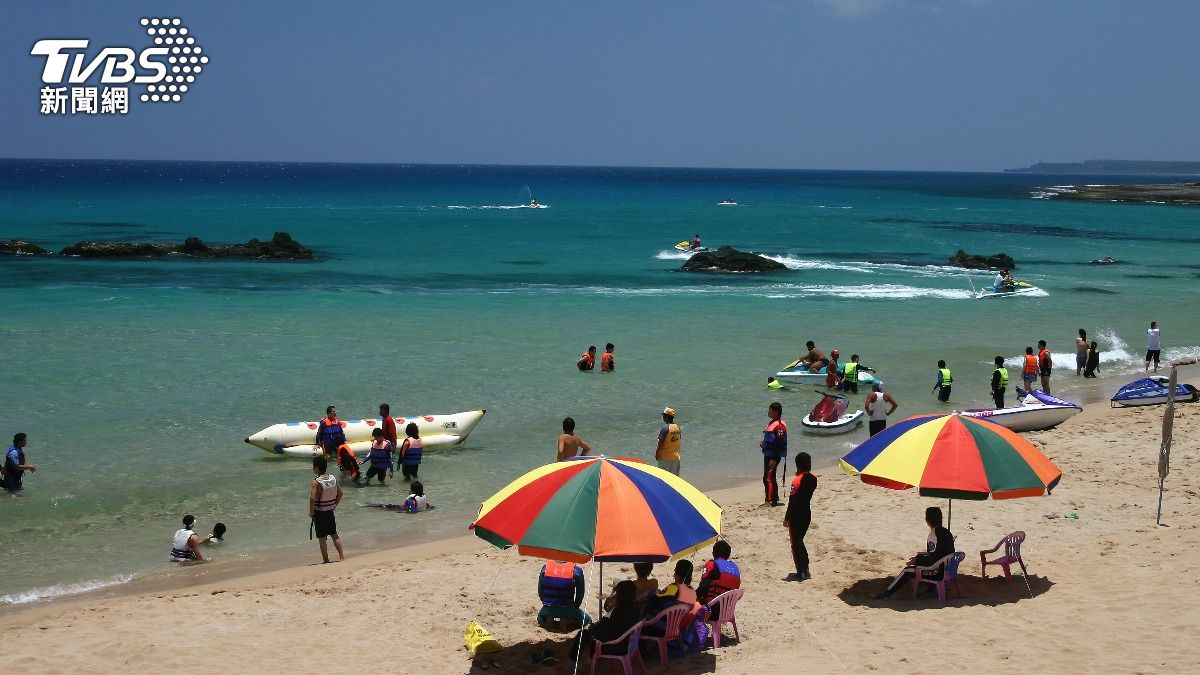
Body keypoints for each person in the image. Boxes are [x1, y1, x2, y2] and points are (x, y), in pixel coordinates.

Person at [874, 506, 955, 599]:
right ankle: (930, 589)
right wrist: (920, 556)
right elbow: (939, 552)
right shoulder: (947, 532)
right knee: (919, 561)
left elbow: (933, 560)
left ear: (928, 520)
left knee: (907, 571)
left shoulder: (934, 534)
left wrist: (917, 560)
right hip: (948, 571)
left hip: (937, 573)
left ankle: (886, 593)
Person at [569, 580, 640, 661]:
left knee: (582, 634)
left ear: (621, 596)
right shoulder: (636, 608)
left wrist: (594, 628)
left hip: (614, 647)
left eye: (617, 594)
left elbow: (604, 633)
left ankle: (572, 661)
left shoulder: (618, 612)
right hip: (629, 645)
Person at [784, 452, 817, 582]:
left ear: (797, 465)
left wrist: (787, 518)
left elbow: (792, 501)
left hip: (796, 515)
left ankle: (801, 572)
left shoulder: (796, 481)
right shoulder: (814, 479)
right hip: (806, 514)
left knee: (795, 544)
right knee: (800, 541)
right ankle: (806, 569)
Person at [309, 455, 345, 564]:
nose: (313, 469)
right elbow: (340, 494)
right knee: (334, 534)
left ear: (317, 468)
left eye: (314, 467)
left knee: (322, 537)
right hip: (330, 511)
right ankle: (342, 557)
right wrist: (334, 505)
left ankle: (326, 560)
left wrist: (311, 512)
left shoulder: (316, 482)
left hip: (320, 512)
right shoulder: (333, 478)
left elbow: (312, 498)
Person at [697, 540, 741, 616]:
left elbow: (703, 588)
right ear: (728, 554)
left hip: (711, 610)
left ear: (714, 553)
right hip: (727, 611)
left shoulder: (711, 564)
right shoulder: (735, 568)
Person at [537, 560, 587, 627]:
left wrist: (546, 604)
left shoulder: (545, 568)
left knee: (540, 617)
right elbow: (580, 594)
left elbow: (540, 591)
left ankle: (550, 618)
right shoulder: (576, 570)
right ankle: (566, 620)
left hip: (548, 607)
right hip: (567, 606)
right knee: (588, 620)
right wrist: (575, 607)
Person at [760, 402, 787, 506]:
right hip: (768, 454)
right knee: (768, 477)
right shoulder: (772, 423)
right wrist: (764, 444)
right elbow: (772, 440)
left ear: (775, 412)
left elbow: (779, 443)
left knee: (769, 478)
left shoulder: (779, 426)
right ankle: (773, 498)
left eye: (770, 410)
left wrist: (774, 458)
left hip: (773, 456)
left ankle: (770, 501)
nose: (768, 412)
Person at [655, 407, 682, 476]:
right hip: (675, 458)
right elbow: (678, 439)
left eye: (664, 416)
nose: (663, 417)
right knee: (674, 481)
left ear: (667, 417)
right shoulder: (677, 427)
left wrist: (657, 454)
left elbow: (660, 443)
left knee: (663, 480)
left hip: (664, 458)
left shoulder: (665, 428)